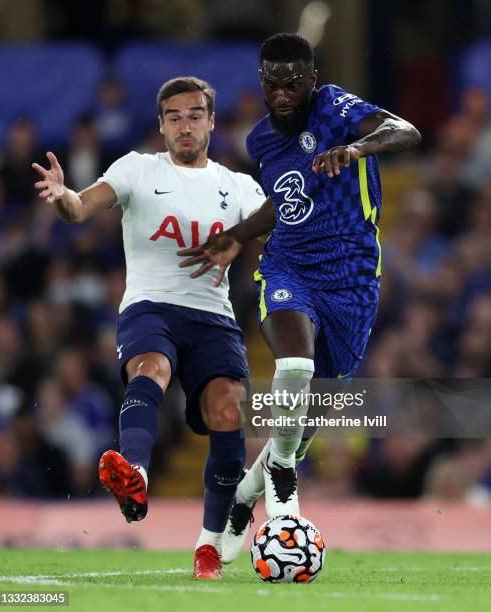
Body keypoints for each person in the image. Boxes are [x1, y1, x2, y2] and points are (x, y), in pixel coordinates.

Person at [178, 34, 421, 561]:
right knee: (293, 364)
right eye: (273, 83)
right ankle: (282, 480)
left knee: (305, 418)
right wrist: (239, 235)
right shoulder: (260, 141)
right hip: (289, 266)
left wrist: (355, 147)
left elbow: (406, 130)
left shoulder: (335, 108)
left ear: (312, 79)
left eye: (293, 82)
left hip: (353, 280)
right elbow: (282, 205)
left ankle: (246, 494)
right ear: (262, 83)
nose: (283, 92)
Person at [32, 76, 265, 579]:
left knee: (228, 410)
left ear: (212, 122)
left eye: (195, 115)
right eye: (175, 117)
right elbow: (81, 206)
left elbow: (274, 223)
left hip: (213, 317)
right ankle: (134, 469)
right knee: (152, 367)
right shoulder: (137, 169)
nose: (185, 125)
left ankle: (209, 546)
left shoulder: (238, 185)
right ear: (160, 126)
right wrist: (61, 195)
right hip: (149, 307)